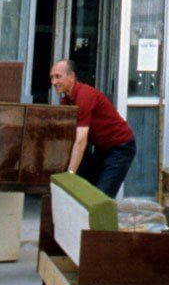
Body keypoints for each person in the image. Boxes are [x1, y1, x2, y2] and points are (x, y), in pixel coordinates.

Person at [50, 58, 135, 198]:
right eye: (52, 77)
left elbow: (81, 140)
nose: (53, 82)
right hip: (103, 149)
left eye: (58, 76)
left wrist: (69, 176)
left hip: (120, 148)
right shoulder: (67, 100)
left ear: (71, 76)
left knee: (100, 199)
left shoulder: (84, 96)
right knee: (84, 193)